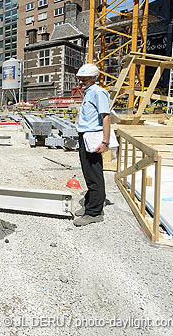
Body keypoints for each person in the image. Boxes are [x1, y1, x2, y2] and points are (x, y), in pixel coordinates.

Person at [74, 63, 110, 227]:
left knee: (94, 174)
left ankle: (94, 212)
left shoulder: (98, 92)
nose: (81, 83)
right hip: (85, 136)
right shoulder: (89, 93)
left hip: (94, 138)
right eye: (80, 80)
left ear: (94, 78)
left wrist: (105, 141)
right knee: (88, 173)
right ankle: (91, 204)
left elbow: (106, 117)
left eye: (84, 80)